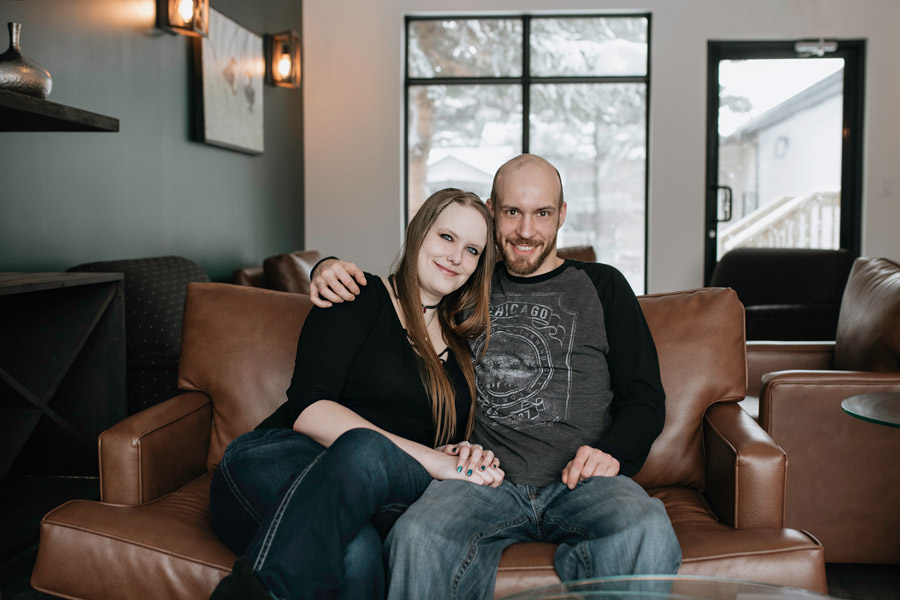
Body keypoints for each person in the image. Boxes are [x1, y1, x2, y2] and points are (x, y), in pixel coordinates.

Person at [309, 154, 682, 599]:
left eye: (542, 213)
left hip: (583, 483)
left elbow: (645, 396)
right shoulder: (464, 283)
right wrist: (325, 266)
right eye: (512, 212)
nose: (526, 230)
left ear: (561, 215)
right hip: (482, 482)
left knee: (646, 529)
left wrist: (612, 452)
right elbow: (400, 300)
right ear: (491, 211)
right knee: (417, 536)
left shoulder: (603, 286)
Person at [207, 188, 504, 600]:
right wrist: (435, 461)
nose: (456, 257)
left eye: (472, 250)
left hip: (381, 489)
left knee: (360, 551)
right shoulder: (356, 296)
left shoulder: (462, 348)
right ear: (420, 233)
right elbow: (309, 410)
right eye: (447, 237)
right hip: (275, 463)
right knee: (360, 524)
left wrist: (461, 453)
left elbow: (438, 443)